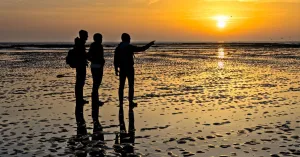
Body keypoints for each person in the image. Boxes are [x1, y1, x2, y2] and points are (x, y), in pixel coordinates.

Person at [114, 33, 155, 108]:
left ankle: (121, 103)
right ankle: (130, 102)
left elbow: (115, 59)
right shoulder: (129, 47)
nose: (130, 39)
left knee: (121, 86)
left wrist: (116, 69)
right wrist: (150, 44)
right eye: (129, 38)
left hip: (122, 68)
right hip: (129, 68)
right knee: (131, 85)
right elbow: (141, 49)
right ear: (127, 39)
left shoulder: (118, 48)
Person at [87, 33, 105, 134]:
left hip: (94, 66)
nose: (102, 39)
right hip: (97, 66)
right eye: (101, 38)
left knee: (96, 84)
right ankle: (95, 100)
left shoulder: (93, 46)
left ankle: (95, 100)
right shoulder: (97, 46)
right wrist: (98, 60)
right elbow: (91, 56)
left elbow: (89, 56)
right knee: (96, 84)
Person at [74, 30, 89, 136]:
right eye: (86, 36)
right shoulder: (80, 44)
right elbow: (82, 55)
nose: (87, 37)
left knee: (80, 82)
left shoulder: (79, 43)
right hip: (80, 65)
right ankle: (79, 99)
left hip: (81, 64)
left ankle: (80, 98)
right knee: (80, 81)